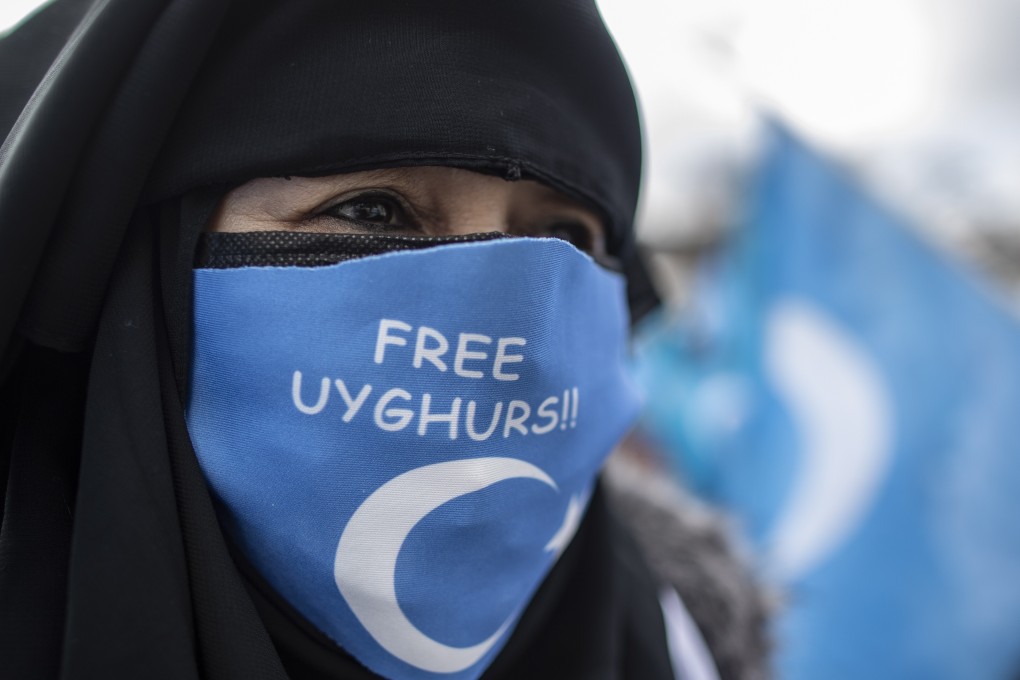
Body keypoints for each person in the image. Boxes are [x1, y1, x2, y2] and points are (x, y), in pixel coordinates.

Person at [0, 1, 768, 678]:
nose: (504, 319)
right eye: (372, 212)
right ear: (126, 265)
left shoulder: (679, 646)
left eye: (563, 234)